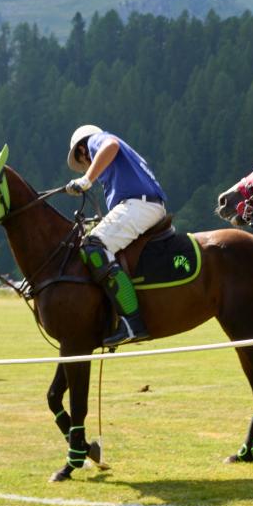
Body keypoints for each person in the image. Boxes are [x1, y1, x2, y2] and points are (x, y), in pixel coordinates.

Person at [63, 124, 167, 347]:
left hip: (139, 205)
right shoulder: (123, 161)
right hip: (143, 205)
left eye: (83, 162)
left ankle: (133, 323)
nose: (86, 165)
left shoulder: (95, 140)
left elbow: (111, 145)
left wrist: (86, 180)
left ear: (82, 150)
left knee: (92, 245)